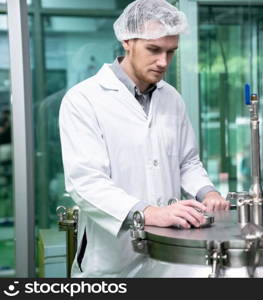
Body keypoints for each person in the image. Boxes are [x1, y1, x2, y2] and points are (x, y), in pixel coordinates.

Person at [59, 0, 229, 278]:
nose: (163, 62)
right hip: (112, 261)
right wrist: (148, 212)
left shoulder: (171, 97)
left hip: (169, 257)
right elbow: (85, 182)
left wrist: (206, 192)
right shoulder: (84, 99)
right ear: (127, 40)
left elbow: (187, 161)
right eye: (154, 49)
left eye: (171, 52)